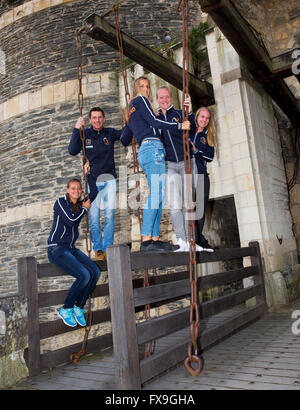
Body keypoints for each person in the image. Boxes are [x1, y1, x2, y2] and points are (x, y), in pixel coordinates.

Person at [120, 76, 191, 252]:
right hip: (153, 149)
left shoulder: (133, 109)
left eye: (147, 86)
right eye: (142, 86)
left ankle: (154, 238)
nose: (146, 90)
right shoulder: (140, 100)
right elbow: (154, 122)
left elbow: (124, 139)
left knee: (159, 195)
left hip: (147, 151)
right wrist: (179, 126)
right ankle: (146, 240)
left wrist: (130, 120)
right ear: (136, 89)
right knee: (157, 194)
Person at [68, 107, 122, 261]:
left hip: (109, 179)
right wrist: (76, 128)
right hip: (92, 181)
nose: (97, 120)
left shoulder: (109, 133)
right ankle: (98, 249)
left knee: (110, 214)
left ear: (103, 119)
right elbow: (72, 150)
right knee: (93, 215)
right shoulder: (85, 134)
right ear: (90, 120)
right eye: (94, 118)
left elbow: (125, 135)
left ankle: (108, 249)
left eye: (100, 117)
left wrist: (131, 117)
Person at [47, 178, 101, 327]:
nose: (76, 191)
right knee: (84, 274)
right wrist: (84, 208)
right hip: (56, 248)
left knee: (95, 272)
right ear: (67, 190)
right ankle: (66, 308)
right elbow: (70, 220)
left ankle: (78, 307)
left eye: (78, 188)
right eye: (73, 188)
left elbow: (94, 192)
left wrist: (89, 173)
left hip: (70, 248)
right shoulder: (60, 203)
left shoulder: (79, 205)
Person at [156, 86, 203, 252]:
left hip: (186, 163)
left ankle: (191, 241)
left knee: (188, 204)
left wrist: (189, 112)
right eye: (161, 97)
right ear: (157, 99)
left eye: (167, 97)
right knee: (175, 205)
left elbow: (190, 130)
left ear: (171, 98)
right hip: (168, 165)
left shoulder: (179, 114)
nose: (165, 100)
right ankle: (182, 241)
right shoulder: (155, 119)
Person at [190, 107, 216, 252]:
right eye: (202, 117)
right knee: (190, 208)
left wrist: (197, 151)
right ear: (197, 116)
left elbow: (210, 157)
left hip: (201, 175)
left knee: (200, 209)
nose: (204, 120)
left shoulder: (208, 136)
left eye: (207, 118)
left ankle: (199, 238)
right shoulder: (189, 131)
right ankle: (192, 237)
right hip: (188, 175)